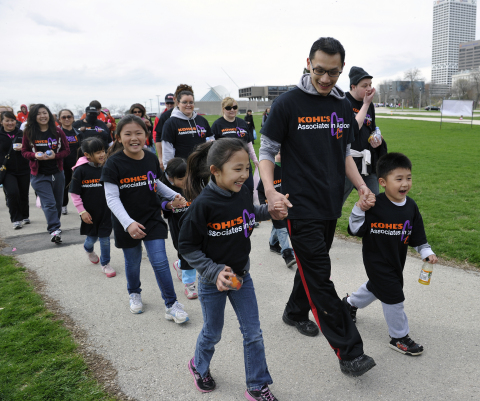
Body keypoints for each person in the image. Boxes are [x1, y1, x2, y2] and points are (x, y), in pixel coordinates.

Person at [259, 36, 376, 376]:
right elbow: (266, 150)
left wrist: (360, 188)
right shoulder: (288, 104)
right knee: (320, 276)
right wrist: (269, 190)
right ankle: (349, 351)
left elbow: (343, 154)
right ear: (308, 63)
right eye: (320, 70)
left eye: (334, 73)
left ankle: (295, 312)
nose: (326, 79)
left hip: (328, 204)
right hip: (299, 205)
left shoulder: (340, 104)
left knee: (312, 269)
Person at [178, 138, 289, 400]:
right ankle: (198, 365)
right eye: (237, 169)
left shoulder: (241, 192)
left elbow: (248, 214)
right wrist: (213, 271)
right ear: (215, 170)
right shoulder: (203, 205)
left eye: (247, 169)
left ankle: (257, 385)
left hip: (240, 278)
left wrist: (270, 212)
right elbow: (186, 246)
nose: (244, 175)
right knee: (212, 332)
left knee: (253, 333)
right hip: (212, 282)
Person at [344, 152, 438, 356]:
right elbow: (354, 229)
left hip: (396, 260)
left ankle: (349, 303)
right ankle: (399, 337)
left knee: (377, 287)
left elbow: (417, 235)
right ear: (383, 182)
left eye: (408, 178)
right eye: (399, 179)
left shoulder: (411, 207)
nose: (405, 183)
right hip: (375, 260)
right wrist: (359, 208)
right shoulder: (374, 204)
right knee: (393, 295)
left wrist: (426, 251)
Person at [101, 114, 189, 321]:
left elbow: (154, 183)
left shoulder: (150, 158)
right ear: (119, 137)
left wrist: (173, 195)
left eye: (138, 133)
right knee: (133, 262)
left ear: (146, 135)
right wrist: (129, 223)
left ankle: (171, 304)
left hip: (152, 218)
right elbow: (112, 199)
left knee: (160, 262)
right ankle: (134, 293)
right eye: (128, 134)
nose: (134, 138)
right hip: (126, 223)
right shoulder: (113, 164)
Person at [22, 104, 70, 244]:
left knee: (57, 204)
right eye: (39, 114)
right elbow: (24, 152)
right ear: (34, 117)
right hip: (39, 175)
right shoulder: (29, 132)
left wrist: (55, 156)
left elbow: (66, 151)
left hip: (57, 172)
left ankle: (55, 225)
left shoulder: (58, 132)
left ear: (49, 115)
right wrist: (35, 155)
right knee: (49, 203)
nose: (42, 116)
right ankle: (54, 229)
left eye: (45, 113)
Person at [70, 137, 115, 278]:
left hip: (106, 212)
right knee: (91, 240)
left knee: (105, 239)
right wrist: (82, 211)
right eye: (97, 152)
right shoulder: (80, 171)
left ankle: (105, 264)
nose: (102, 154)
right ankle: (88, 250)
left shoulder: (108, 167)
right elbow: (74, 193)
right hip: (88, 214)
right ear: (87, 155)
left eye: (103, 151)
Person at [343, 66, 387, 204]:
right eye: (364, 85)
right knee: (336, 202)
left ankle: (369, 226)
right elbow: (353, 129)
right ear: (353, 86)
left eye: (370, 85)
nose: (369, 88)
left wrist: (377, 137)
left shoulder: (370, 105)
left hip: (367, 161)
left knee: (373, 201)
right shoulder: (343, 102)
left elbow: (372, 127)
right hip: (347, 161)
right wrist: (365, 104)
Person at [159, 157, 197, 299]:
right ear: (171, 178)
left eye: (187, 177)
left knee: (190, 254)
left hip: (194, 227)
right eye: (181, 178)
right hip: (178, 229)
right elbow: (162, 204)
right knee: (185, 253)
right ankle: (188, 282)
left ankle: (184, 273)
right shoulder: (167, 189)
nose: (185, 181)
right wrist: (171, 204)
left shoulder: (192, 186)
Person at [211, 97, 259, 197]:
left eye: (234, 107)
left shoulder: (242, 123)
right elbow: (213, 148)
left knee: (248, 191)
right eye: (228, 108)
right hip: (227, 167)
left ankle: (249, 212)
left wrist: (254, 159)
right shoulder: (217, 125)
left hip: (245, 165)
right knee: (230, 193)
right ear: (223, 109)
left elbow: (249, 143)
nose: (232, 110)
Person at [257, 151, 296, 267]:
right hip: (274, 206)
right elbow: (260, 190)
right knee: (282, 228)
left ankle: (273, 244)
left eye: (282, 151)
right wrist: (264, 205)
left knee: (278, 226)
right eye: (278, 152)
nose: (280, 154)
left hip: (286, 206)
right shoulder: (270, 172)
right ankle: (288, 254)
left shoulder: (290, 170)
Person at [162, 84, 213, 168]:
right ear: (178, 103)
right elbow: (167, 151)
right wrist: (169, 170)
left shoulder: (202, 120)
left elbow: (210, 138)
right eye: (185, 102)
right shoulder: (170, 123)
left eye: (191, 102)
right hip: (181, 168)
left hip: (202, 167)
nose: (188, 105)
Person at [0, 111, 30, 228]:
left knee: (23, 193)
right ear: (2, 122)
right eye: (7, 120)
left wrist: (24, 147)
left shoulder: (22, 133)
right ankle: (16, 219)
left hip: (23, 168)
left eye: (12, 120)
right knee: (12, 193)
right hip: (7, 170)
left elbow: (30, 147)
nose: (10, 123)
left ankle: (25, 215)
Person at [58, 109, 81, 215]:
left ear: (73, 118)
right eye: (64, 117)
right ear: (59, 119)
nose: (66, 119)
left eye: (69, 117)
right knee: (64, 187)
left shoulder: (78, 133)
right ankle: (63, 205)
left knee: (80, 187)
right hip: (63, 165)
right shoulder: (57, 133)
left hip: (77, 165)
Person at [154, 93, 176, 169]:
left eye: (171, 103)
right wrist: (160, 157)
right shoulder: (160, 116)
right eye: (167, 103)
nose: (170, 105)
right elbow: (157, 134)